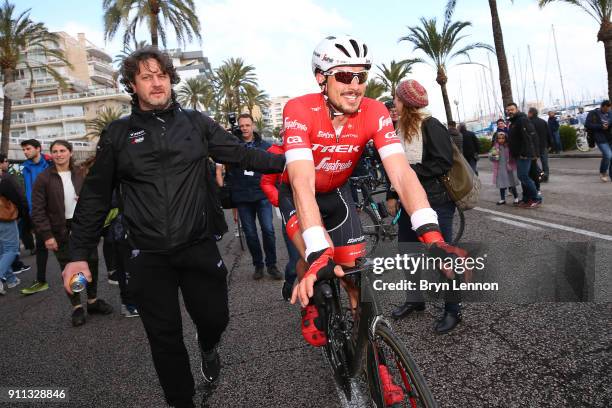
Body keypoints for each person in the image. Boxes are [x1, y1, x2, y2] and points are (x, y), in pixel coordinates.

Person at [61, 47, 284, 408]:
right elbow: (95, 198)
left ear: (170, 78)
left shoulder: (196, 124)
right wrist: (77, 256)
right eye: (146, 76)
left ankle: (208, 345)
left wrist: (290, 164)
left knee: (215, 319)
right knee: (164, 337)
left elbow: (242, 154)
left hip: (197, 245)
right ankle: (182, 402)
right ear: (132, 85)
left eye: (161, 74)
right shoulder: (118, 135)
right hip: (147, 256)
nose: (156, 82)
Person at [280, 35, 468, 404]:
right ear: (321, 77)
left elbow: (401, 173)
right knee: (314, 258)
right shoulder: (298, 109)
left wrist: (431, 233)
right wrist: (319, 250)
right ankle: (313, 300)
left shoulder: (375, 112)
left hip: (337, 194)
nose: (355, 85)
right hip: (300, 193)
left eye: (361, 76)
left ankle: (378, 365)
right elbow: (302, 183)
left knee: (356, 284)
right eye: (344, 76)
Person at [386, 79, 463, 333]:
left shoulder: (431, 125)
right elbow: (395, 166)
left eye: (397, 98)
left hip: (436, 201)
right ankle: (415, 300)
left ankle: (453, 310)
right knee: (407, 253)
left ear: (406, 102)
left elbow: (442, 162)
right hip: (409, 202)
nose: (394, 103)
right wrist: (393, 192)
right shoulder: (400, 129)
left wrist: (410, 174)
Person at [31, 140, 112, 326]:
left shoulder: (81, 173)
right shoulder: (43, 178)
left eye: (62, 150)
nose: (58, 154)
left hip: (83, 227)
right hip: (59, 230)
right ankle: (77, 307)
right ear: (50, 154)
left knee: (91, 263)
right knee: (68, 268)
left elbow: (94, 197)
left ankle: (92, 301)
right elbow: (37, 210)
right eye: (55, 151)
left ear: (70, 152)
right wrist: (47, 235)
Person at [224, 113, 281, 280]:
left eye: (247, 125)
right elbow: (225, 165)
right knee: (250, 233)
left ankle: (272, 265)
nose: (244, 129)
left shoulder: (265, 145)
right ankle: (258, 265)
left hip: (262, 194)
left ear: (252, 125)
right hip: (242, 197)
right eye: (241, 126)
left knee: (268, 230)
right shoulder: (233, 146)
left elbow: (273, 167)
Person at [260, 143, 300, 300]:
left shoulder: (314, 145)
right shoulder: (275, 152)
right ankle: (289, 283)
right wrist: (282, 201)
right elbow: (266, 182)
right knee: (297, 260)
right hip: (290, 211)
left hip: (314, 207)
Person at [19, 139, 51, 295]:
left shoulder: (50, 163)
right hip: (37, 214)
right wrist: (32, 212)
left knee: (66, 246)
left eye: (28, 148)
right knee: (41, 247)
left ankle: (78, 277)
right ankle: (41, 280)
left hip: (55, 212)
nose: (25, 152)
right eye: (24, 149)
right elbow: (28, 191)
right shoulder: (25, 167)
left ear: (38, 148)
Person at [0, 154, 31, 275]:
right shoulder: (6, 178)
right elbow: (18, 196)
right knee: (11, 249)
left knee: (3, 249)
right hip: (6, 217)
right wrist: (24, 211)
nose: (7, 163)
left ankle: (10, 278)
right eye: (5, 161)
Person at [506, 102, 540, 208]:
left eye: (512, 109)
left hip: (523, 154)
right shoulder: (513, 122)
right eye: (508, 110)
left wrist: (526, 153)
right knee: (525, 177)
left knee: (523, 176)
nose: (510, 111)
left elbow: (530, 137)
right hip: (518, 155)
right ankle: (526, 198)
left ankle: (536, 198)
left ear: (517, 109)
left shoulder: (522, 120)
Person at [584, 100, 612, 182]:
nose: (608, 111)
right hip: (599, 137)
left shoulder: (610, 112)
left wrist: (608, 124)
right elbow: (587, 124)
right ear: (602, 106)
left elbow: (610, 121)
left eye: (609, 109)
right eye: (606, 109)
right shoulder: (593, 113)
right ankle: (603, 172)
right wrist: (600, 126)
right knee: (608, 155)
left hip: (609, 137)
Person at [489, 132, 520, 205]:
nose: (501, 140)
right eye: (499, 138)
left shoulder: (509, 147)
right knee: (501, 184)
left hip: (509, 168)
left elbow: (513, 156)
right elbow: (492, 158)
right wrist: (493, 156)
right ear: (497, 139)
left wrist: (512, 159)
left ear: (506, 138)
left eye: (503, 138)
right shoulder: (495, 147)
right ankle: (502, 199)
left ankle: (516, 198)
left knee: (512, 183)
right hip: (500, 168)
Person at [528, 107, 552, 182]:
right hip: (543, 145)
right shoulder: (543, 122)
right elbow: (549, 133)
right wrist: (550, 144)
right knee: (544, 162)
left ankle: (541, 175)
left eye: (528, 113)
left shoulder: (529, 123)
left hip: (534, 146)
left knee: (533, 163)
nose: (527, 114)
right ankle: (546, 176)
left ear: (531, 113)